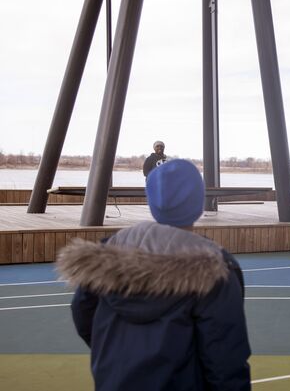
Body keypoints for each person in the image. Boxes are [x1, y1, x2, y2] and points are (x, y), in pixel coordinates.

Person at [56, 159, 251, 391]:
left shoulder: (108, 252)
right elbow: (225, 358)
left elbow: (83, 312)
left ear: (153, 202)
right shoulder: (216, 269)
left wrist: (114, 355)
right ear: (198, 203)